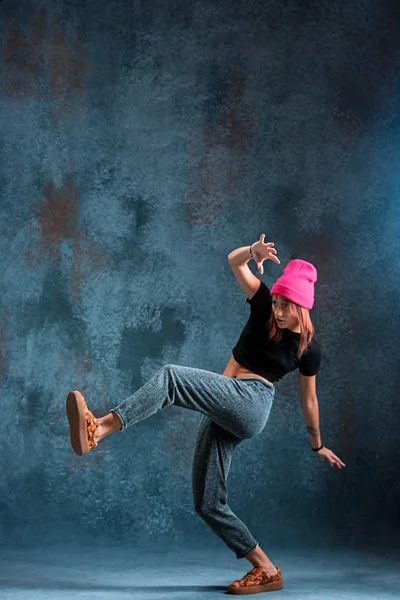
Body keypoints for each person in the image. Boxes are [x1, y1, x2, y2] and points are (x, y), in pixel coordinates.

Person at [66, 234, 345, 595]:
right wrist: (252, 252)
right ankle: (266, 569)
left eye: (285, 305)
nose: (277, 310)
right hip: (226, 401)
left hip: (252, 403)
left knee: (170, 377)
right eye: (275, 300)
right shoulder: (262, 305)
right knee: (208, 502)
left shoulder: (309, 350)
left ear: (302, 306)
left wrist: (317, 445)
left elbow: (309, 401)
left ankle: (98, 429)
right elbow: (234, 261)